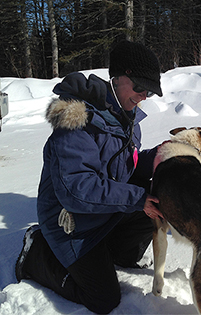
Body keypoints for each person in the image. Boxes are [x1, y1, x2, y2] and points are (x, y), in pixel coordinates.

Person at [15, 40, 164, 314]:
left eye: (150, 92)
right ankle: (35, 254)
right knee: (104, 299)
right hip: (71, 223)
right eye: (140, 87)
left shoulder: (125, 118)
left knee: (157, 204)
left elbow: (123, 169)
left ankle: (117, 253)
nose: (143, 96)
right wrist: (137, 198)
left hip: (102, 214)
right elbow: (77, 189)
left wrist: (157, 159)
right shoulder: (76, 121)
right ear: (118, 77)